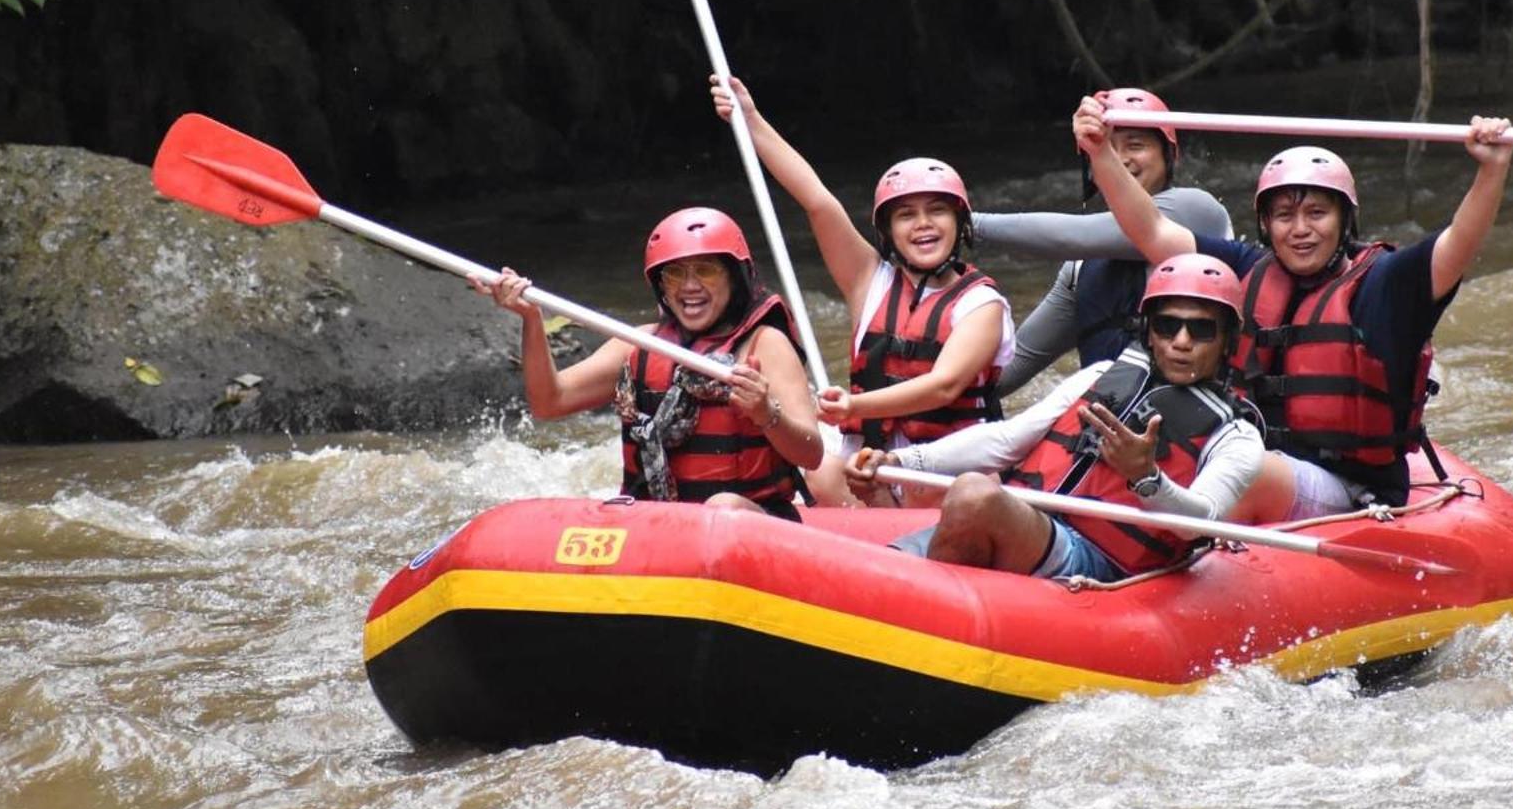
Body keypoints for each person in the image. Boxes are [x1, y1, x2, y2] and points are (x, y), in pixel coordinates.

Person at [1073, 93, 1513, 518]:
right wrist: (1099, 154)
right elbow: (1150, 231)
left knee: (1251, 471)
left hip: (1349, 486)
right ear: (1266, 224)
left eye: (1317, 214)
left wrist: (1491, 172)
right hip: (1247, 455)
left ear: (1345, 220)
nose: (1300, 229)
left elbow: (1458, 244)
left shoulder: (1384, 284)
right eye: (1284, 216)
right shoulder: (1248, 267)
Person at [844, 256, 1272, 581]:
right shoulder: (1103, 376)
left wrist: (1146, 478)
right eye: (1167, 326)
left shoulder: (1236, 434)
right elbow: (1007, 439)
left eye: (1200, 330)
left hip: (1100, 563)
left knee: (975, 494)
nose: (1181, 342)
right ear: (1149, 332)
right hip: (1033, 523)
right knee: (881, 569)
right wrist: (902, 463)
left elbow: (1202, 520)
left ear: (1226, 340)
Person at [709, 75, 1014, 507]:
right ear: (888, 231)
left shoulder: (982, 304)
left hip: (944, 469)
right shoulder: (869, 280)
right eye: (906, 215)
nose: (923, 224)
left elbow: (944, 386)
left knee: (926, 490)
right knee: (814, 471)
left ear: (960, 224)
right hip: (865, 466)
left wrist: (854, 407)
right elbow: (817, 201)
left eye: (937, 211)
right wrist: (752, 120)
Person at [469, 206, 823, 518]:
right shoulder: (638, 344)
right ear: (661, 287)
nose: (690, 286)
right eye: (675, 274)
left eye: (706, 270)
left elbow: (812, 455)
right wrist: (531, 320)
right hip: (661, 529)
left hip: (751, 523)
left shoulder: (766, 345)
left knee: (722, 509)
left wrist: (766, 413)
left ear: (734, 276)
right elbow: (550, 402)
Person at [967, 88, 1236, 395]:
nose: (1119, 159)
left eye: (1135, 145)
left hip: (1194, 415)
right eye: (1105, 148)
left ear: (1170, 155)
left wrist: (967, 223)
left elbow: (1073, 235)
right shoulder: (1081, 266)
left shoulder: (1197, 211)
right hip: (1111, 422)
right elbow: (1011, 368)